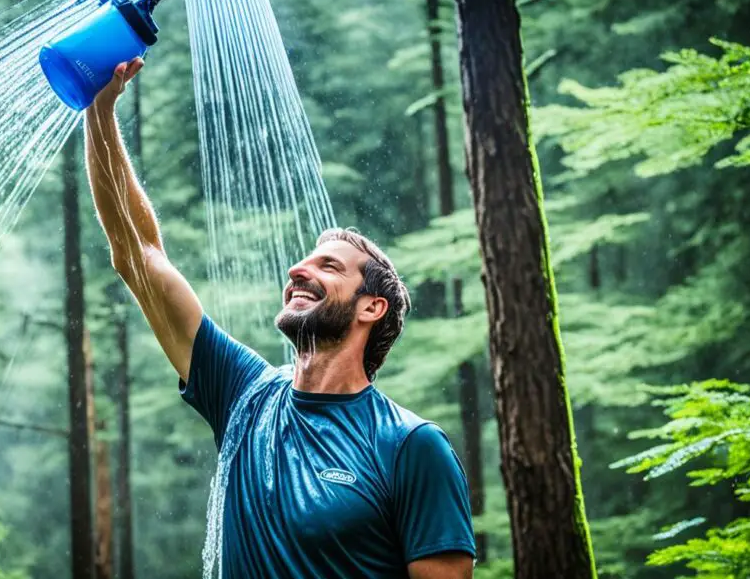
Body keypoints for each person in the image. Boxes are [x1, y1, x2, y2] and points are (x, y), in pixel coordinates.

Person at [84, 58, 477, 579]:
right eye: (304, 260)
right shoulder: (242, 394)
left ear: (371, 307)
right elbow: (137, 252)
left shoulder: (411, 446)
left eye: (328, 266)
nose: (298, 269)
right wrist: (99, 109)